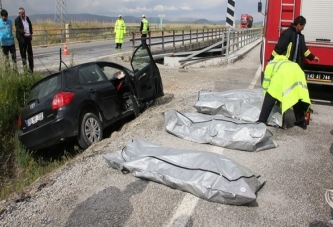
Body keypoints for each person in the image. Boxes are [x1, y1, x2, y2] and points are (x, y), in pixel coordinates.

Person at [258, 55, 311, 130]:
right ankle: (301, 121)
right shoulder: (287, 62)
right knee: (296, 96)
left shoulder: (270, 65)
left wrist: (266, 95)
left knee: (270, 95)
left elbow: (266, 83)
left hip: (284, 75)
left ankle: (262, 120)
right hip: (298, 71)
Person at [15, 7, 34, 72]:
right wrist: (23, 31)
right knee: (23, 55)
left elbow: (30, 26)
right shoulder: (17, 20)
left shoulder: (27, 18)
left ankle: (31, 69)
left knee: (30, 54)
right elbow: (18, 29)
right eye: (22, 14)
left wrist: (31, 33)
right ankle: (25, 70)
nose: (23, 15)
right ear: (19, 13)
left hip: (28, 38)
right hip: (22, 40)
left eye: (24, 13)